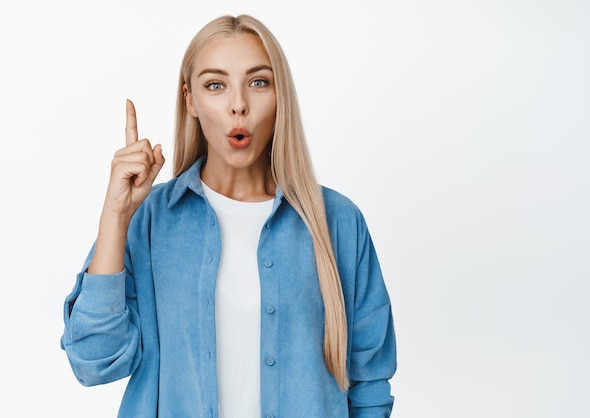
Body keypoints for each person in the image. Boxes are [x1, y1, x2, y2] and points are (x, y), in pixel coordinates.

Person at [61, 14, 396, 418]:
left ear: (280, 95)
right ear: (191, 101)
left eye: (258, 82)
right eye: (215, 85)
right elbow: (94, 361)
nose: (239, 104)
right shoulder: (150, 221)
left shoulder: (339, 224)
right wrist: (116, 216)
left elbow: (370, 385)